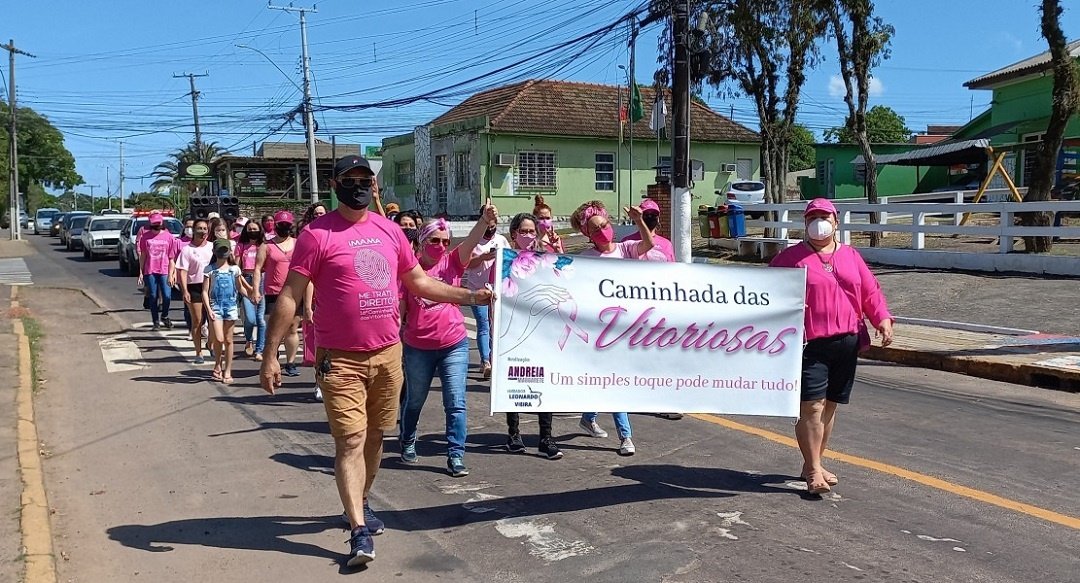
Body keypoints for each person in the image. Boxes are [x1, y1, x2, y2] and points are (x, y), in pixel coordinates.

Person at [259, 155, 494, 568]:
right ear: (335, 185)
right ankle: (357, 531)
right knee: (350, 440)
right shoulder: (316, 235)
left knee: (374, 439)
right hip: (341, 360)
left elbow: (419, 282)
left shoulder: (390, 231)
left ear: (374, 184)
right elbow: (291, 296)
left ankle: (361, 501)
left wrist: (471, 297)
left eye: (365, 178)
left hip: (388, 355)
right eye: (350, 179)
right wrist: (271, 355)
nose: (359, 185)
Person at [769, 198, 894, 495]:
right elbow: (764, 291)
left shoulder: (851, 256)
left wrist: (882, 319)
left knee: (830, 405)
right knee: (811, 406)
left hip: (848, 341)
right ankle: (813, 471)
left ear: (836, 222)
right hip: (809, 344)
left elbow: (870, 291)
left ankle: (813, 461)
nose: (818, 221)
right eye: (812, 216)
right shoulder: (791, 259)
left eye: (824, 216)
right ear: (805, 223)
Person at [399, 210, 496, 479]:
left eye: (445, 241)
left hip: (454, 343)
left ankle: (455, 453)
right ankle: (407, 438)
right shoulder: (409, 269)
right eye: (435, 241)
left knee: (455, 402)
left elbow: (470, 242)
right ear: (421, 242)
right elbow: (401, 310)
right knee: (415, 400)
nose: (441, 246)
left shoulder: (452, 262)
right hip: (418, 347)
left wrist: (485, 220)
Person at [569, 200, 657, 456]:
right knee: (614, 382)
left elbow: (648, 244)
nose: (603, 231)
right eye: (596, 229)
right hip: (600, 330)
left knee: (609, 380)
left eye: (605, 225)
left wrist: (639, 220)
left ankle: (588, 417)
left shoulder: (626, 249)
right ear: (588, 234)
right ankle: (626, 437)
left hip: (627, 326)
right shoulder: (586, 259)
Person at [502, 212, 563, 460]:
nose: (528, 236)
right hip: (514, 329)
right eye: (523, 231)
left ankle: (545, 438)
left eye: (531, 231)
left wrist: (557, 256)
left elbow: (561, 284)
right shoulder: (504, 260)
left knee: (543, 384)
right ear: (513, 235)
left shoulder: (544, 259)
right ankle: (514, 434)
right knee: (515, 382)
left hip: (542, 331)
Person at [254, 210, 301, 377]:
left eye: (287, 225)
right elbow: (258, 269)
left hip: (294, 290)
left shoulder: (298, 244)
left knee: (292, 328)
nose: (284, 228)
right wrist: (255, 290)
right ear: (275, 226)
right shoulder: (267, 246)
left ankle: (290, 362)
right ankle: (273, 356)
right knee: (273, 328)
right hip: (273, 292)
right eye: (281, 225)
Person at [462, 209, 508, 380]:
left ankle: (497, 358)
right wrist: (484, 257)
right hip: (477, 290)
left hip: (498, 291)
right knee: (483, 324)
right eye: (488, 223)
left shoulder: (501, 240)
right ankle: (486, 361)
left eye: (494, 224)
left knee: (496, 326)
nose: (491, 227)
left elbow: (510, 260)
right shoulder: (474, 242)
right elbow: (466, 264)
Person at [203, 239, 251, 384]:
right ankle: (218, 363)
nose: (222, 253)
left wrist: (251, 296)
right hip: (216, 306)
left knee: (229, 340)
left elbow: (240, 287)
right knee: (219, 338)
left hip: (230, 306)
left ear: (229, 251)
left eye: (225, 250)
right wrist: (209, 309)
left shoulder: (234, 269)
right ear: (214, 252)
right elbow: (205, 291)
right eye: (220, 250)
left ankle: (227, 369)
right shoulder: (209, 270)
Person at [175, 219, 214, 364]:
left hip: (211, 286)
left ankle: (210, 343)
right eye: (199, 228)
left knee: (213, 320)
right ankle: (199, 352)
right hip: (195, 287)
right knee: (198, 320)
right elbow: (183, 271)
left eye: (205, 228)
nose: (202, 231)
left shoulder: (212, 247)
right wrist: (184, 290)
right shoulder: (187, 249)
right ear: (194, 230)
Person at [137, 212, 178, 331]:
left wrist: (171, 274)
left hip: (164, 270)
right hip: (150, 270)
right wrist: (141, 271)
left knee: (167, 295)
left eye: (158, 223)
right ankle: (155, 321)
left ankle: (164, 315)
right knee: (153, 296)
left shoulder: (168, 237)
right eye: (154, 224)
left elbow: (171, 258)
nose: (156, 226)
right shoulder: (145, 237)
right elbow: (143, 255)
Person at [236, 219, 267, 361]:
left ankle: (259, 350)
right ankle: (249, 339)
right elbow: (236, 268)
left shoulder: (265, 246)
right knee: (250, 318)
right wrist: (242, 284)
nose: (252, 231)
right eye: (250, 229)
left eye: (255, 229)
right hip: (246, 279)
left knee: (261, 320)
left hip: (262, 280)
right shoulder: (241, 245)